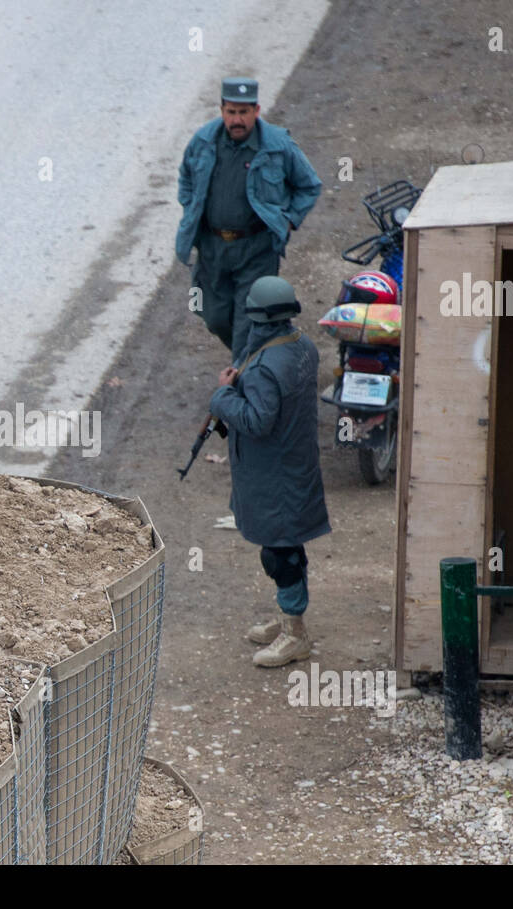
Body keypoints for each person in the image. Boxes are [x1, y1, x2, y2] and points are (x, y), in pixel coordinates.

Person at [208, 276, 329, 667]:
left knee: (281, 554)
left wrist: (223, 395)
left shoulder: (263, 366)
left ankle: (296, 636)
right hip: (296, 466)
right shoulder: (303, 347)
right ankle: (288, 619)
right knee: (287, 545)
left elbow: (257, 421)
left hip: (274, 476)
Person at [177, 78, 322, 361]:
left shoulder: (277, 145)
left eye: (244, 112)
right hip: (213, 248)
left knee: (248, 322)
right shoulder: (204, 141)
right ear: (222, 110)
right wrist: (191, 209)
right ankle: (260, 359)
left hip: (257, 249)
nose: (237, 119)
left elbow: (309, 185)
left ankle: (243, 387)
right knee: (215, 317)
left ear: (256, 110)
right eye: (231, 112)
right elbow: (186, 179)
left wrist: (290, 219)